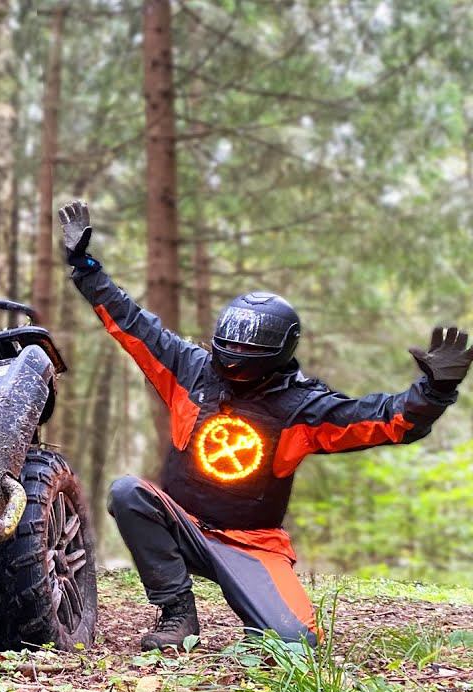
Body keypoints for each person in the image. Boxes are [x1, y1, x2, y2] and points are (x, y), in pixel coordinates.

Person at [57, 199, 471, 650]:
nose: (233, 362)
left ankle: (259, 613)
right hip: (183, 523)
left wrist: (433, 393)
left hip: (252, 544)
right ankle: (177, 613)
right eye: (228, 350)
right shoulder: (190, 369)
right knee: (127, 492)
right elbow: (132, 323)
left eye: (246, 356)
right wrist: (84, 265)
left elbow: (381, 419)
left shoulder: (302, 407)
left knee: (295, 644)